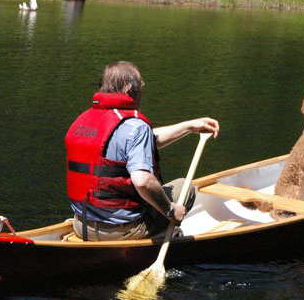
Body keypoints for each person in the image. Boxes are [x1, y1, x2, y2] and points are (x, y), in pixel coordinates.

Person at [65, 61, 219, 241]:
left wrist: (190, 127)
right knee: (186, 188)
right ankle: (164, 235)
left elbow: (146, 140)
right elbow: (143, 180)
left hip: (82, 225)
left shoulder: (83, 121)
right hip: (124, 231)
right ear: (130, 92)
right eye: (142, 88)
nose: (143, 93)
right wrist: (169, 210)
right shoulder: (135, 127)